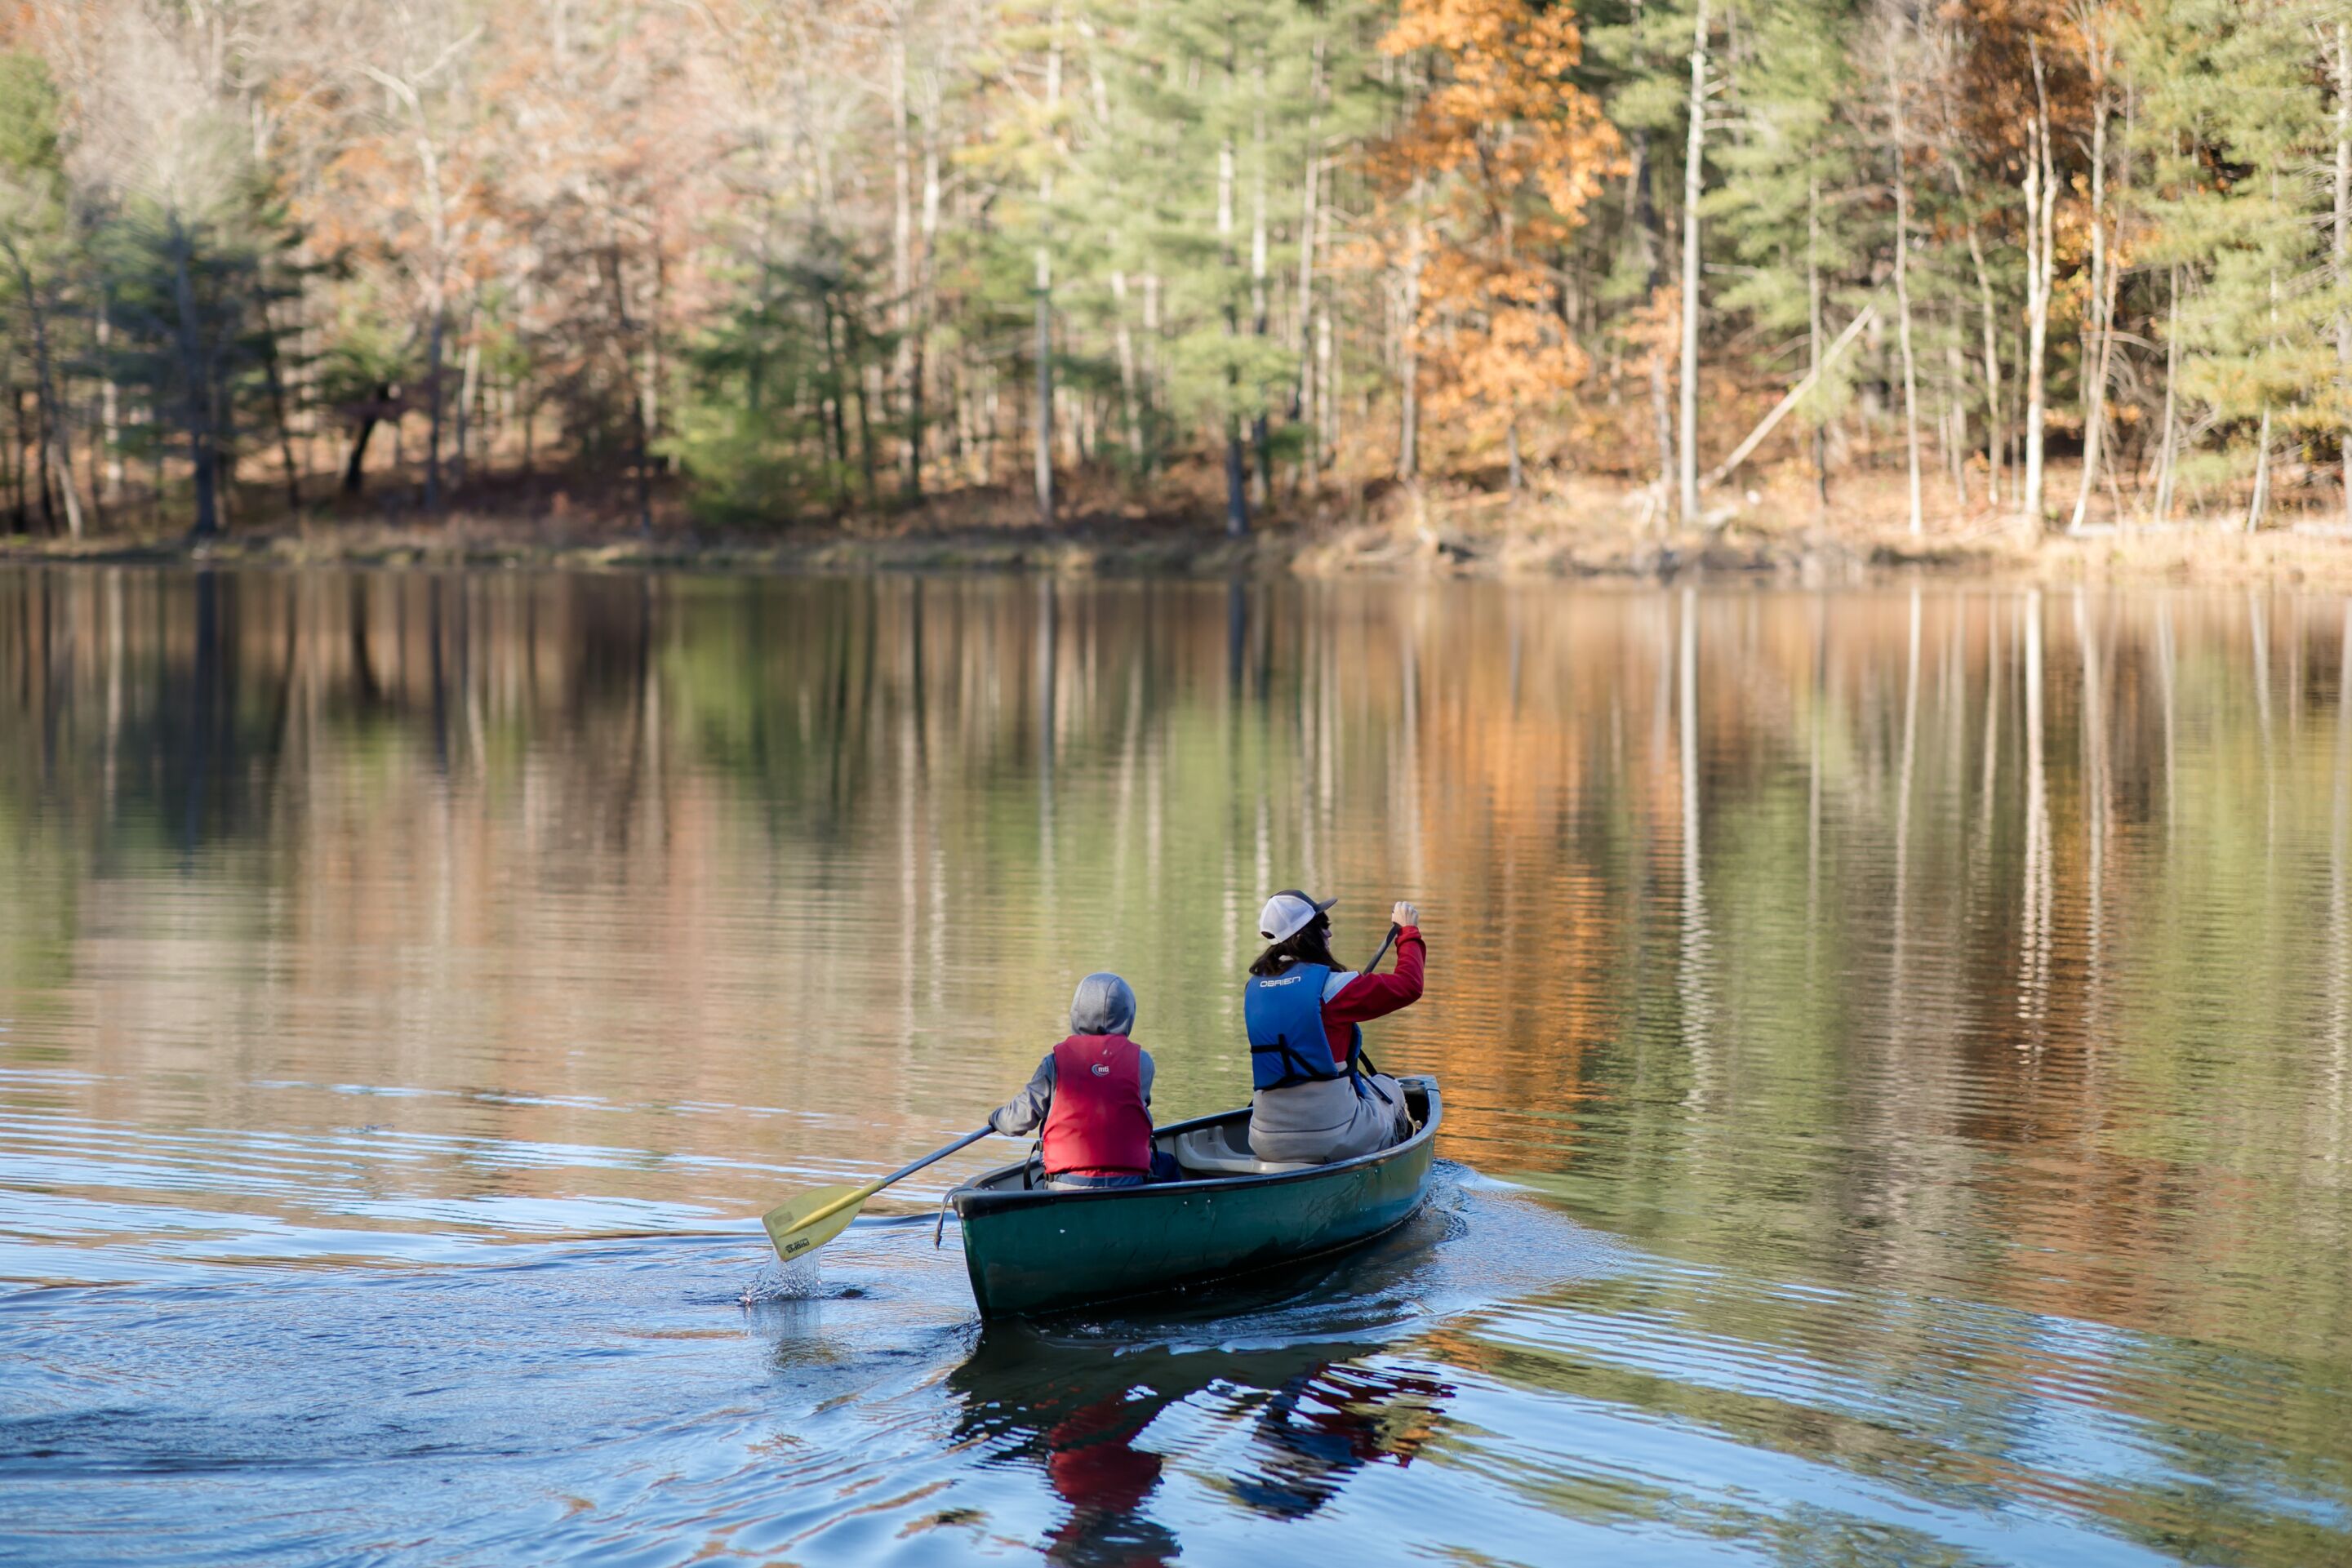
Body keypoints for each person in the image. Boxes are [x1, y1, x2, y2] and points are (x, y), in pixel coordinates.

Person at [1243, 890, 1423, 1165]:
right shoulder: (1336, 988)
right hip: (1334, 1136)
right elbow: (1409, 986)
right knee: (1391, 1088)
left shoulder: (1253, 989)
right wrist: (1408, 931)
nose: (1328, 935)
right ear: (1303, 937)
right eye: (1322, 927)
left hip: (1265, 1139)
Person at [988, 972, 1163, 1190]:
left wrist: (995, 1118)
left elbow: (1017, 1121)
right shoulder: (1143, 1063)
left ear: (1077, 1013)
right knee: (1169, 1165)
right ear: (1128, 1015)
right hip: (1129, 1184)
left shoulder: (1054, 1063)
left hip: (1066, 1185)